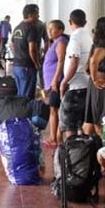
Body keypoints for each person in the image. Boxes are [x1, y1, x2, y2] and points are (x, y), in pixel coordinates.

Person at [58, 9, 91, 139]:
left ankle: (71, 154)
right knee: (81, 124)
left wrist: (64, 81)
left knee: (70, 125)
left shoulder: (75, 38)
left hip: (75, 86)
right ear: (85, 22)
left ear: (70, 22)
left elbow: (74, 61)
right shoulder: (88, 37)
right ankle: (80, 155)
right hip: (86, 84)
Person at [42, 20, 67, 148]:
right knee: (53, 109)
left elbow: (61, 61)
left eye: (53, 29)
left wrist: (55, 80)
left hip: (56, 82)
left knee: (54, 109)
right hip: (52, 82)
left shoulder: (61, 41)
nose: (50, 31)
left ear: (61, 30)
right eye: (49, 29)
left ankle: (54, 138)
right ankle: (54, 136)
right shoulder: (55, 42)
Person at [10, 4, 42, 98]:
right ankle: (24, 113)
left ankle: (20, 111)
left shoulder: (18, 27)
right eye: (37, 14)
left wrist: (18, 54)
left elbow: (11, 43)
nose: (38, 16)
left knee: (20, 93)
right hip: (27, 66)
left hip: (17, 65)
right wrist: (36, 63)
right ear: (31, 15)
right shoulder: (31, 28)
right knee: (27, 95)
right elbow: (32, 49)